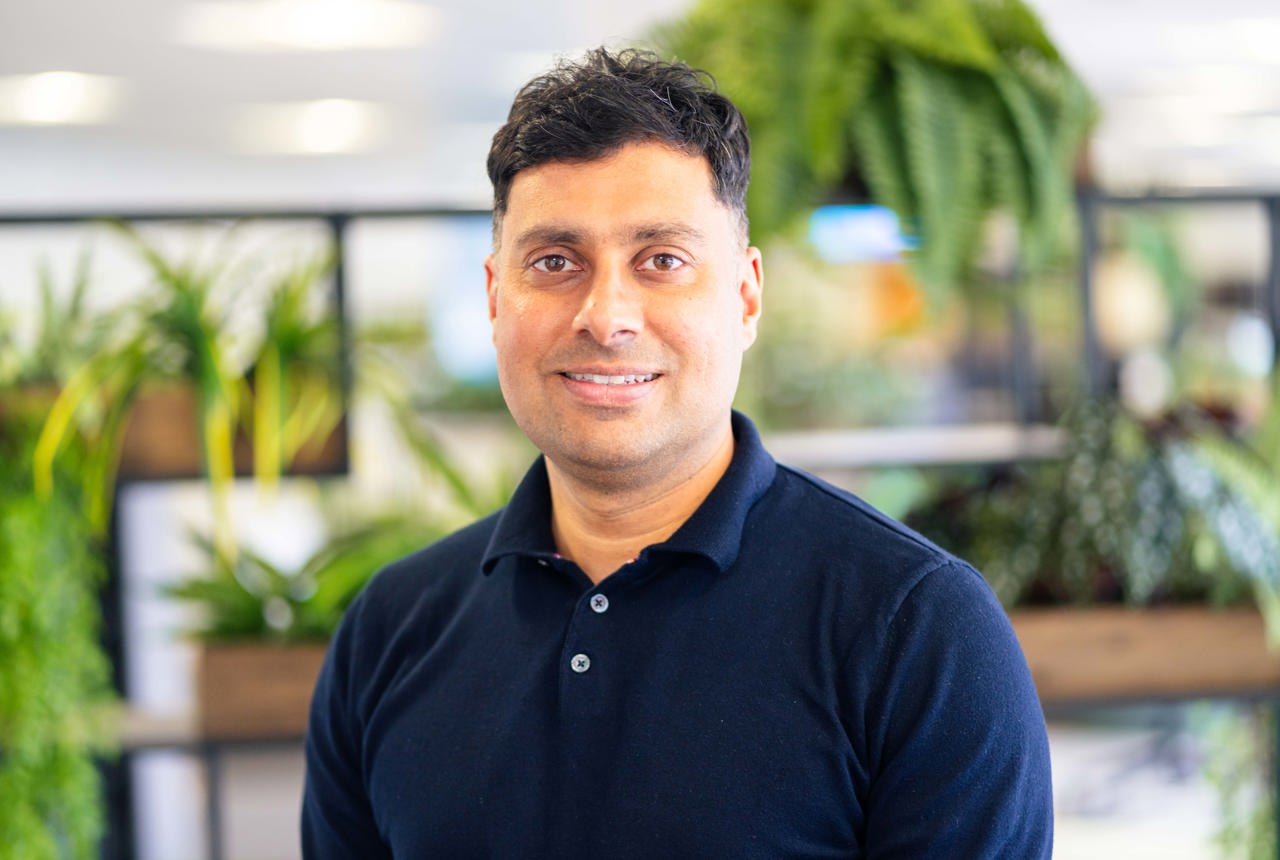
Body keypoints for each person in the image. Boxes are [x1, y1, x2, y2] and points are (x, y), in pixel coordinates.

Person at [302, 47, 1053, 858]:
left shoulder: (917, 630)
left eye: (661, 260)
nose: (605, 315)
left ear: (745, 295)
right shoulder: (390, 630)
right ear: (494, 297)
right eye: (555, 262)